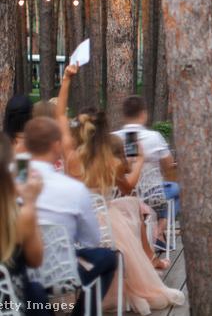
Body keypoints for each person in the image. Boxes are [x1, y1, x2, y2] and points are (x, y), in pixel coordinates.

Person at [56, 65, 185, 314]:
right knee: (132, 205)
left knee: (131, 206)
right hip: (104, 225)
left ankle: (147, 258)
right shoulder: (108, 161)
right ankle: (149, 259)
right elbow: (128, 187)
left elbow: (60, 116)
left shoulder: (71, 156)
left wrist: (67, 79)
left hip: (74, 224)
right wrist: (138, 162)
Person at [24, 117, 117, 316]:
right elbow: (91, 240)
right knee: (108, 258)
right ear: (56, 145)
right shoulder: (74, 189)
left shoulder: (11, 180)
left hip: (19, 274)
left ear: (26, 144)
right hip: (62, 274)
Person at [113, 95, 180, 249]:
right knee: (176, 189)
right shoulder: (154, 137)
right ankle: (158, 230)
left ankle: (152, 230)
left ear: (124, 115)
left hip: (120, 194)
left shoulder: (114, 138)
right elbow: (169, 166)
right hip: (153, 195)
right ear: (143, 114)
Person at [0, 133, 51, 315]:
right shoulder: (21, 216)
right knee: (36, 294)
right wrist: (30, 201)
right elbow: (36, 260)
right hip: (10, 305)